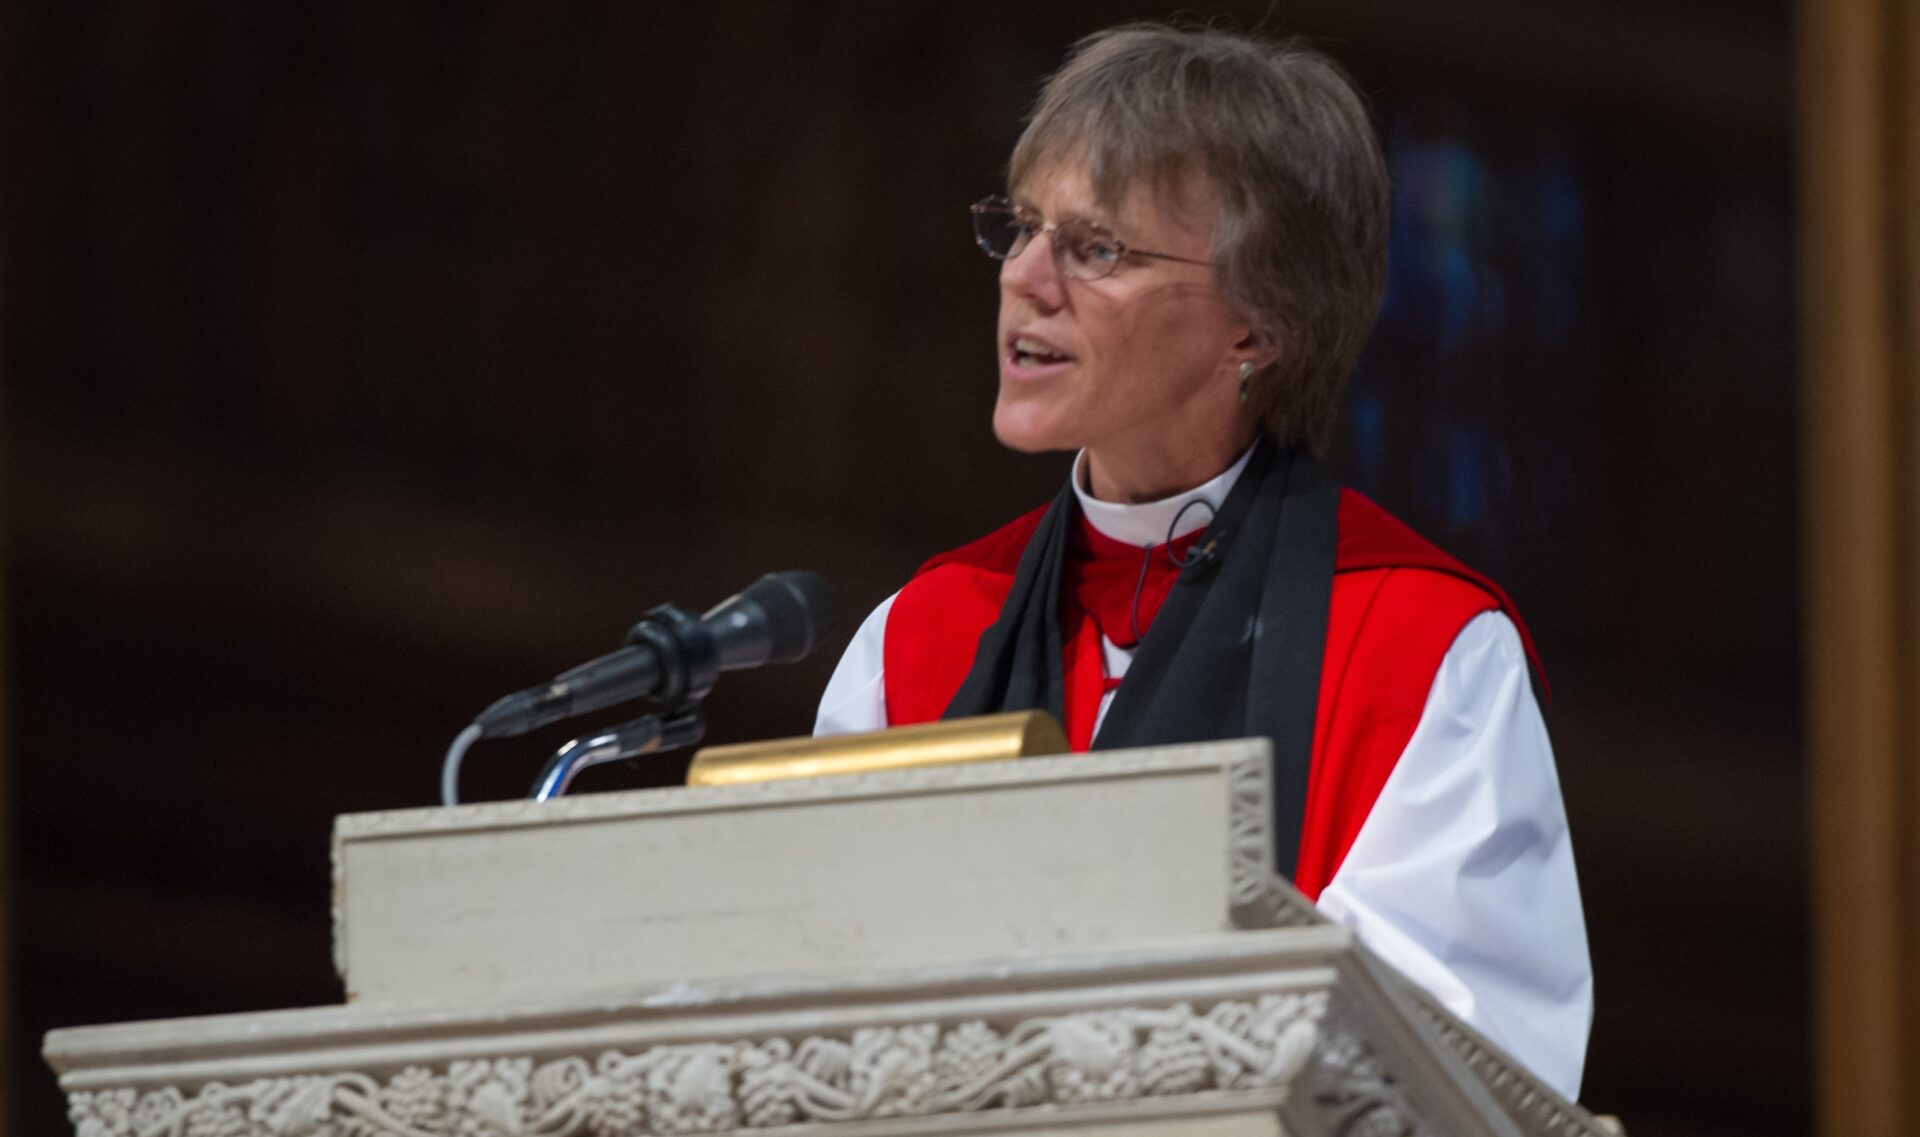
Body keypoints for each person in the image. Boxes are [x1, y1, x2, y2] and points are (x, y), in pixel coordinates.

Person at [813, 24, 1590, 1099]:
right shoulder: (919, 638)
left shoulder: (1419, 650)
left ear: (1260, 328)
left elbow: (1463, 1070)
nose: (1028, 279)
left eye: (1098, 249)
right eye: (1023, 228)